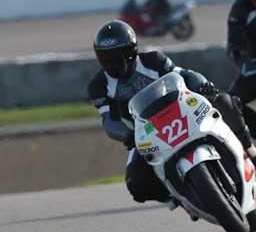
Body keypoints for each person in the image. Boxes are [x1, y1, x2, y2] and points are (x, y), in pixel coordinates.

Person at [87, 20, 256, 204]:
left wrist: (202, 86)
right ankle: (178, 196)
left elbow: (185, 75)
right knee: (136, 183)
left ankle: (249, 147)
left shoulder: (153, 60)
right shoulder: (98, 85)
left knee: (224, 101)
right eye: (106, 58)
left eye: (116, 56)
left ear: (130, 51)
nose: (111, 64)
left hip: (180, 111)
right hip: (144, 133)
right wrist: (128, 134)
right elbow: (108, 121)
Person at [226, 0, 256, 131]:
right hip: (252, 67)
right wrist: (246, 61)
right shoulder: (240, 9)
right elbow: (234, 45)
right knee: (230, 105)